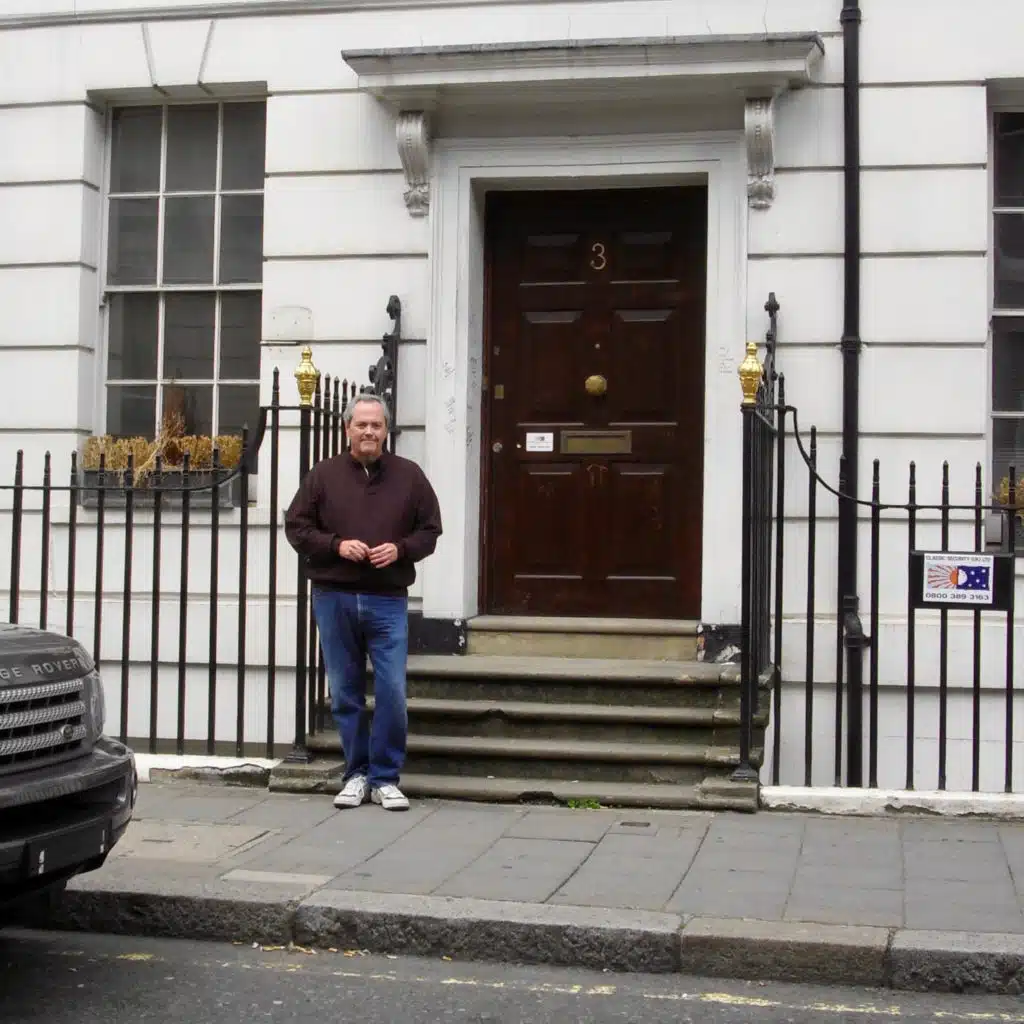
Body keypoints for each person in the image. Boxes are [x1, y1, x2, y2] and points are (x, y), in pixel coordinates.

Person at [284, 392, 442, 811]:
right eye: (362, 424)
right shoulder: (323, 475)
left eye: (376, 425)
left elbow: (430, 530)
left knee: (391, 692)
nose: (369, 431)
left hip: (387, 599)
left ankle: (385, 778)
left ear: (386, 431)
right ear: (347, 429)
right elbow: (297, 527)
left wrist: (401, 549)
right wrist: (336, 545)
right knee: (344, 692)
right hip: (333, 596)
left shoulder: (410, 476)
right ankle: (356, 774)